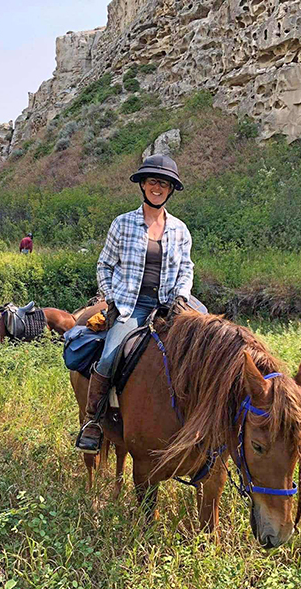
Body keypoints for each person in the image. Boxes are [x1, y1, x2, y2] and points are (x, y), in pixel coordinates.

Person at [75, 154, 193, 454]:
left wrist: (181, 296)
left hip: (170, 305)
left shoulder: (180, 230)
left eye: (164, 184)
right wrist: (112, 298)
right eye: (153, 181)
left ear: (170, 190)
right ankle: (94, 422)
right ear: (142, 185)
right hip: (132, 306)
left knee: (207, 347)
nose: (158, 187)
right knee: (110, 355)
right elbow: (104, 265)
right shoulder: (122, 223)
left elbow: (186, 269)